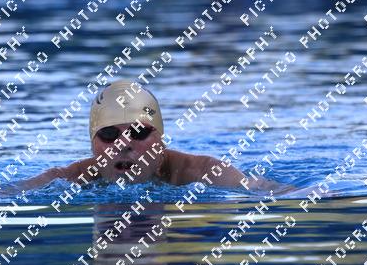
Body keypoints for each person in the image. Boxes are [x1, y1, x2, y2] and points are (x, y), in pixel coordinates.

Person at [19, 79, 291, 192]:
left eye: (138, 132)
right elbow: (1, 196)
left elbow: (265, 190)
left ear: (161, 141)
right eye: (110, 134)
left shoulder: (202, 172)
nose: (123, 144)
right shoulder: (66, 179)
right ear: (92, 145)